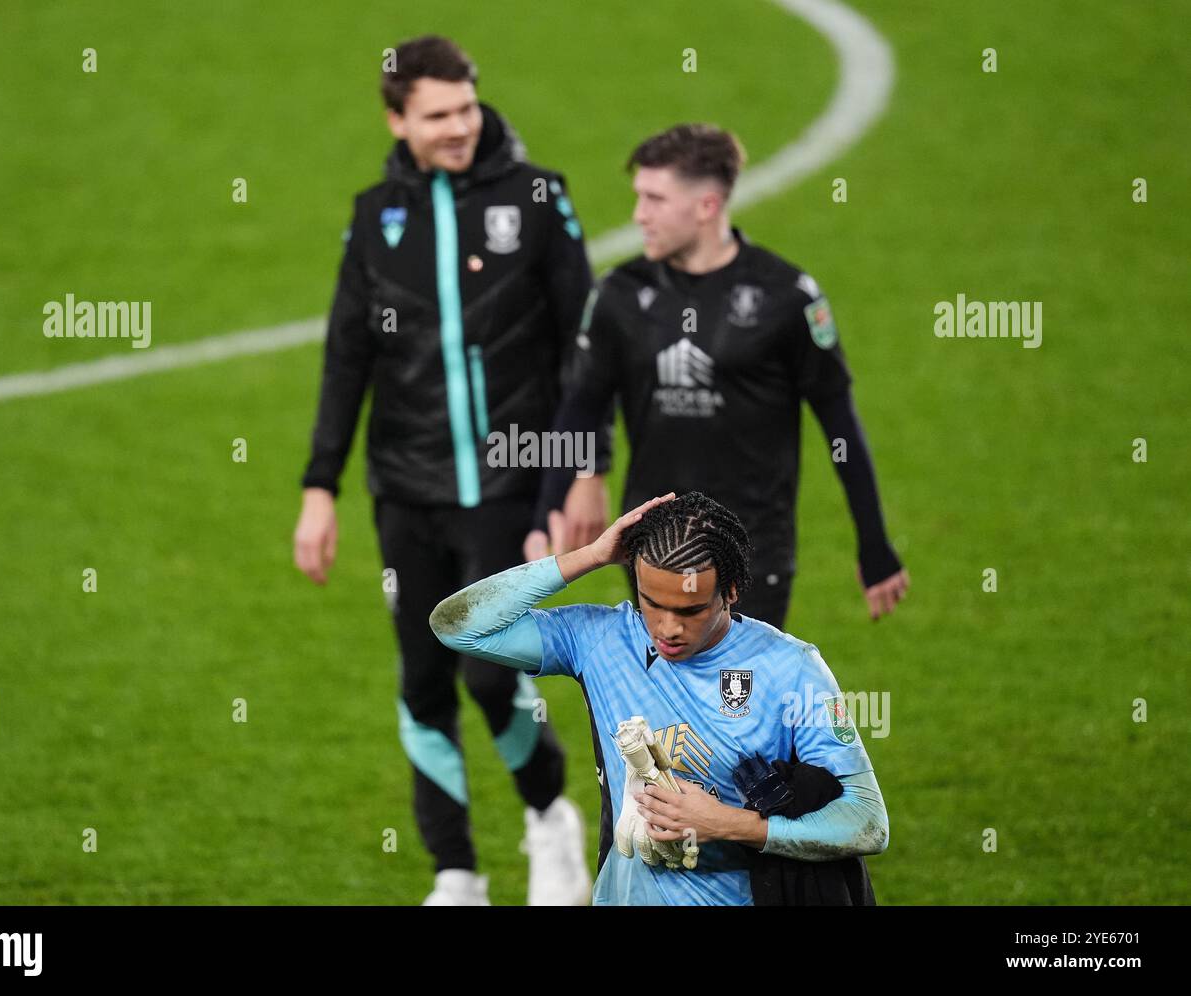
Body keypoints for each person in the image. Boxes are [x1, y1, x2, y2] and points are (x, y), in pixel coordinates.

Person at [294, 35, 609, 906]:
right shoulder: (374, 215)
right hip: (406, 488)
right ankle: (456, 872)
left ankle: (550, 819)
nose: (460, 127)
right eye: (438, 115)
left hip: (513, 479)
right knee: (423, 678)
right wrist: (319, 487)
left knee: (482, 667)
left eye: (467, 107)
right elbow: (345, 356)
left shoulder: (538, 197)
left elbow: (585, 344)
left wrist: (585, 469)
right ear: (398, 120)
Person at [526, 124, 909, 629]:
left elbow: (839, 423)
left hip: (751, 554)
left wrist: (874, 543)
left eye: (655, 199)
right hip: (651, 545)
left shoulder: (785, 297)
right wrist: (548, 510)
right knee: (666, 702)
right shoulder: (621, 294)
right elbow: (581, 403)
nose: (639, 215)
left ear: (706, 206)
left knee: (736, 702)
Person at [432, 491, 888, 905]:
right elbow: (456, 625)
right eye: (653, 603)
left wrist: (726, 823)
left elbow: (866, 821)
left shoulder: (791, 670)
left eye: (690, 610)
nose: (668, 628)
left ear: (730, 592)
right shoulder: (602, 640)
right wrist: (589, 556)